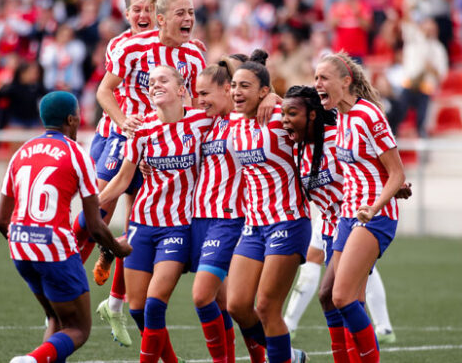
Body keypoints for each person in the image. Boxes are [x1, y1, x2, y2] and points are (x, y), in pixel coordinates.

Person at [80, 0, 206, 348]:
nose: (142, 15)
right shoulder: (126, 46)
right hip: (122, 134)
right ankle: (68, 276)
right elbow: (105, 91)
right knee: (99, 208)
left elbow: (200, 104)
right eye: (136, 9)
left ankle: (115, 301)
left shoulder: (195, 53)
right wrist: (124, 123)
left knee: (138, 224)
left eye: (147, 8)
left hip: (161, 144)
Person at [0, 91, 132, 363]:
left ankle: (37, 359)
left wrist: (25, 239)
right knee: (78, 329)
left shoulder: (21, 152)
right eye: (78, 117)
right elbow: (95, 225)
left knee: (56, 319)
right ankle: (31, 360)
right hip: (54, 247)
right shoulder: (77, 154)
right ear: (71, 119)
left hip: (20, 247)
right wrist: (117, 248)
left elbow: (1, 221)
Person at [280, 85, 409, 362]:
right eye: (283, 113)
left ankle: (368, 345)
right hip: (328, 224)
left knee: (336, 295)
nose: (285, 120)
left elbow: (368, 166)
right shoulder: (295, 145)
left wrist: (395, 186)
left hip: (354, 220)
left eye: (293, 113)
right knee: (335, 298)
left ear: (313, 116)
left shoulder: (335, 136)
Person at [98, 65, 212, 363]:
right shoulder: (142, 129)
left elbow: (237, 108)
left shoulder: (203, 121)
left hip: (178, 227)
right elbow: (123, 179)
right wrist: (91, 205)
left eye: (163, 80)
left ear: (181, 90)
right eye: (151, 82)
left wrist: (270, 99)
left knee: (153, 304)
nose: (155, 84)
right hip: (142, 224)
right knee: (136, 309)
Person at [314, 52, 407, 362]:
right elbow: (369, 167)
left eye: (323, 78)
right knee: (344, 297)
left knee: (341, 296)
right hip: (348, 216)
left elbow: (396, 173)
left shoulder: (369, 114)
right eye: (315, 78)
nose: (317, 84)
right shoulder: (342, 117)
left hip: (374, 217)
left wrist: (376, 204)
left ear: (346, 81)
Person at [226, 50, 309, 363]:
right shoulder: (233, 120)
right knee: (236, 305)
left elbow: (316, 115)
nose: (236, 91)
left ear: (263, 91)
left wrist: (277, 98)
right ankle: (289, 354)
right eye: (234, 85)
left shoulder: (279, 116)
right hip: (253, 225)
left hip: (288, 221)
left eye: (245, 86)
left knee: (266, 307)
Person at [189, 58, 246, 363]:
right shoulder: (209, 124)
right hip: (200, 219)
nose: (200, 100)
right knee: (221, 301)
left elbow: (261, 90)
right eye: (197, 94)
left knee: (201, 296)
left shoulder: (241, 119)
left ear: (228, 89)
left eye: (205, 93)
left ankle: (284, 351)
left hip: (227, 219)